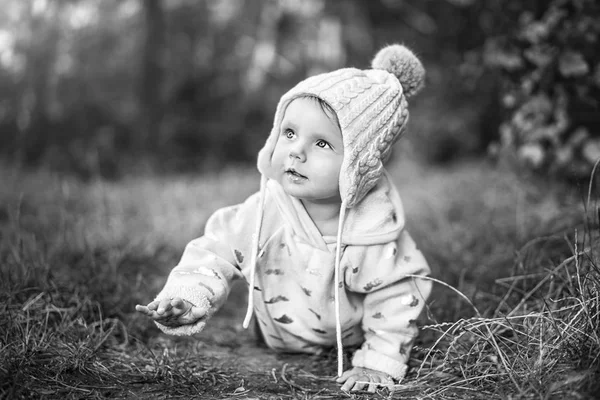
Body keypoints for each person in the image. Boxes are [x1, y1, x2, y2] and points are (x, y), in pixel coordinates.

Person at [136, 44, 432, 393]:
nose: (296, 150)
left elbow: (398, 294)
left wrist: (378, 362)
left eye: (322, 144)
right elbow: (215, 250)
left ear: (359, 164)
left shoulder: (372, 230)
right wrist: (188, 297)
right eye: (289, 133)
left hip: (350, 342)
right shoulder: (266, 210)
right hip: (276, 333)